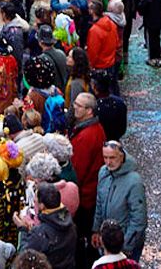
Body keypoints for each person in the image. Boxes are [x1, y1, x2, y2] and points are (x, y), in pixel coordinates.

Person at [91, 142, 145, 261]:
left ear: (121, 156)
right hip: (109, 241)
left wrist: (125, 246)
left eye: (112, 158)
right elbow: (99, 203)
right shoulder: (103, 172)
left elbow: (139, 219)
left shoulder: (134, 182)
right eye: (105, 157)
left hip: (125, 245)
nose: (108, 162)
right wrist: (96, 230)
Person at [69, 93, 105, 250]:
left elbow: (78, 170)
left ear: (89, 111)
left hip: (85, 197)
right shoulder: (94, 129)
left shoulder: (87, 136)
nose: (74, 107)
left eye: (79, 105)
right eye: (75, 103)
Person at [18, 183, 76, 269]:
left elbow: (24, 257)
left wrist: (23, 229)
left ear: (42, 205)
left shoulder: (40, 233)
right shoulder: (71, 224)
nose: (34, 203)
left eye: (35, 201)